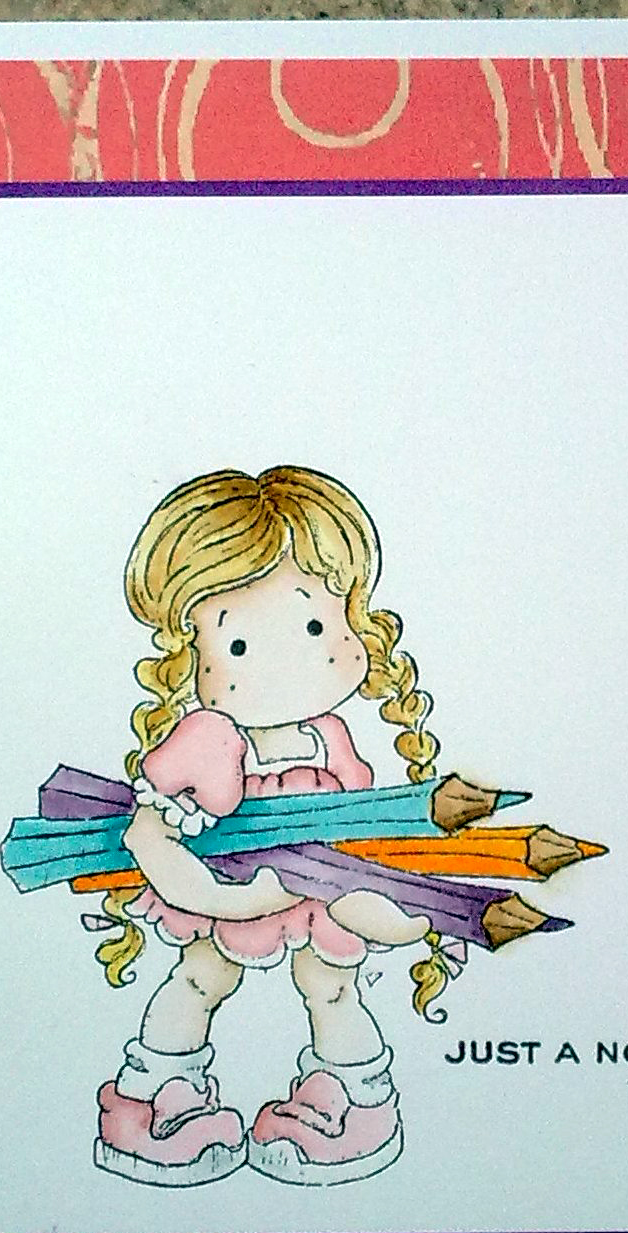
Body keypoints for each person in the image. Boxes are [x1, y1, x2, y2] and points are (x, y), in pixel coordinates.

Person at [90, 466, 447, 1188]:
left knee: (332, 984)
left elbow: (354, 824)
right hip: (226, 883)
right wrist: (192, 866)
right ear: (191, 654)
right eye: (240, 647)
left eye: (314, 627)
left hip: (316, 890)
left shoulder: (329, 737)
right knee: (200, 977)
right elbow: (151, 823)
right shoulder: (210, 737)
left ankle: (347, 1097)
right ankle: (159, 1097)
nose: (287, 663)